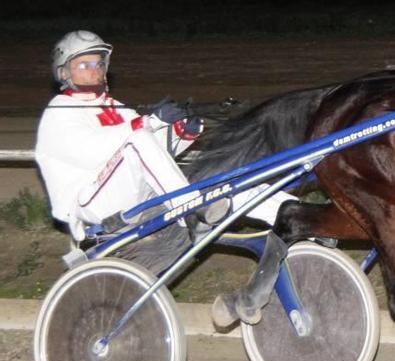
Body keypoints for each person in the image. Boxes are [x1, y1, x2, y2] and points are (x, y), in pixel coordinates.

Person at [35, 30, 292, 242]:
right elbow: (93, 151)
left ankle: (300, 216)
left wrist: (181, 133)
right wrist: (148, 121)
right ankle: (193, 211)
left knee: (219, 181)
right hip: (91, 205)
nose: (95, 70)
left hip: (131, 195)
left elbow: (153, 154)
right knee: (139, 138)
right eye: (84, 65)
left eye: (98, 63)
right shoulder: (58, 112)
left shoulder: (114, 107)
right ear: (64, 73)